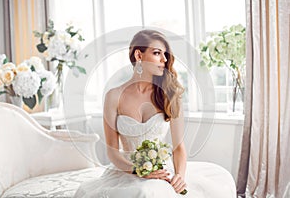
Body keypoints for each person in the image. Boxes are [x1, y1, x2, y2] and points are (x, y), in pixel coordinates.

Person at [74, 29, 236, 198]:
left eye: (165, 54)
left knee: (220, 177)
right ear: (139, 55)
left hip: (162, 170)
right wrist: (138, 170)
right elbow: (112, 152)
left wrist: (179, 175)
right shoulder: (113, 96)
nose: (164, 60)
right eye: (157, 53)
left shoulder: (170, 94)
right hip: (127, 170)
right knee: (143, 192)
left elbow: (179, 147)